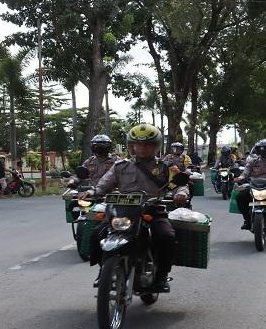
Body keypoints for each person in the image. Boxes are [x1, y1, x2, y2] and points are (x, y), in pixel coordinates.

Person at [79, 123, 190, 293]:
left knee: (165, 236)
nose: (142, 148)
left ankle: (161, 276)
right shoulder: (120, 166)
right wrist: (93, 192)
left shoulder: (165, 167)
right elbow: (103, 185)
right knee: (96, 234)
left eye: (147, 145)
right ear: (132, 146)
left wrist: (181, 193)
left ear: (156, 146)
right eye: (138, 144)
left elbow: (180, 185)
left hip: (152, 209)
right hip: (122, 210)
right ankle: (104, 270)